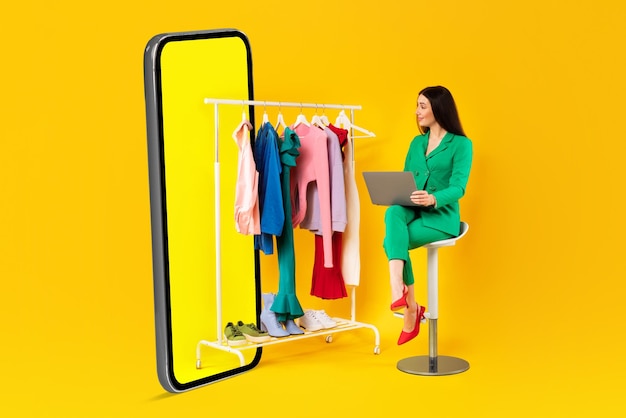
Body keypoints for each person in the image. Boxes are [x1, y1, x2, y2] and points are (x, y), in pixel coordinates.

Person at [384, 86, 473, 345]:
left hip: (441, 217)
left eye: (422, 106)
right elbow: (406, 176)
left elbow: (459, 187)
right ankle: (399, 292)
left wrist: (434, 198)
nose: (417, 112)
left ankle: (409, 306)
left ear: (439, 108)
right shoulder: (417, 142)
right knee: (392, 213)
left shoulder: (461, 144)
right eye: (417, 105)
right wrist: (399, 192)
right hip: (411, 208)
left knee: (391, 241)